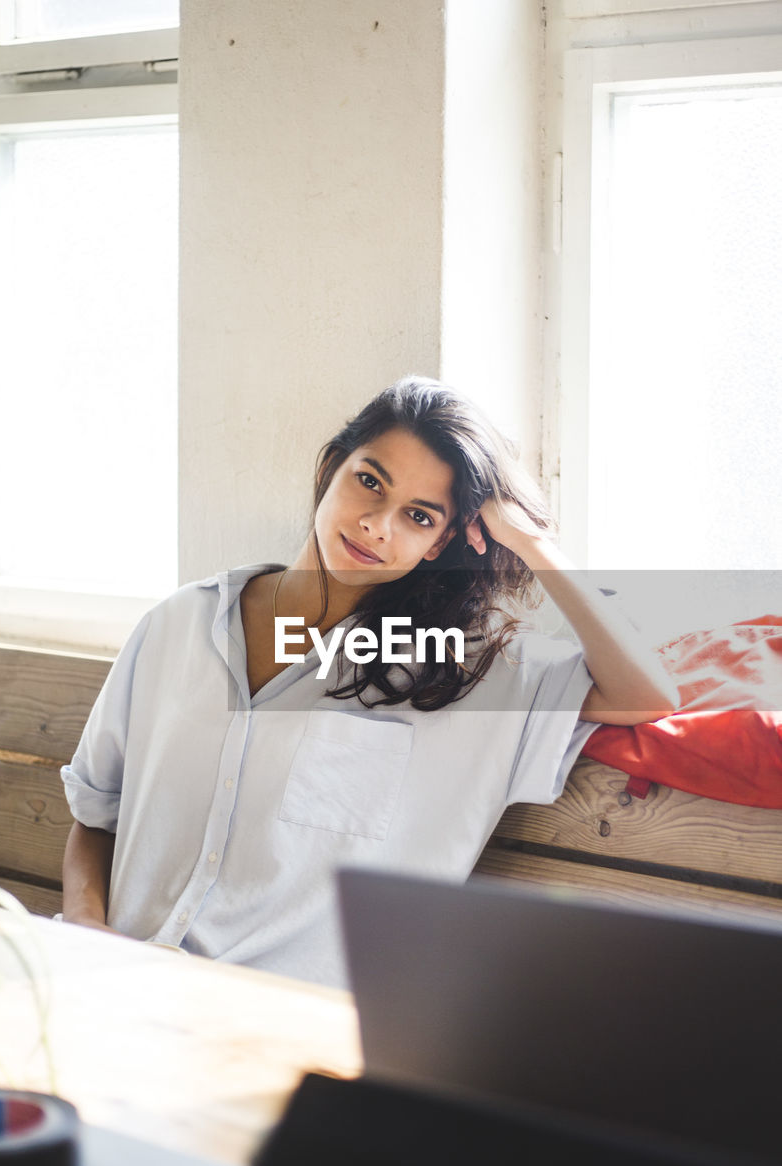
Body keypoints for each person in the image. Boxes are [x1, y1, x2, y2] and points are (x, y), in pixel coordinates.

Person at [60, 376, 677, 987]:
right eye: (369, 481)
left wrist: (529, 540)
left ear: (441, 543)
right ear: (332, 465)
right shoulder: (180, 622)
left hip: (294, 1039)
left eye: (418, 515)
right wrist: (88, 931)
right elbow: (96, 810)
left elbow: (644, 694)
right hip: (116, 996)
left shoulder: (461, 671)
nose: (378, 526)